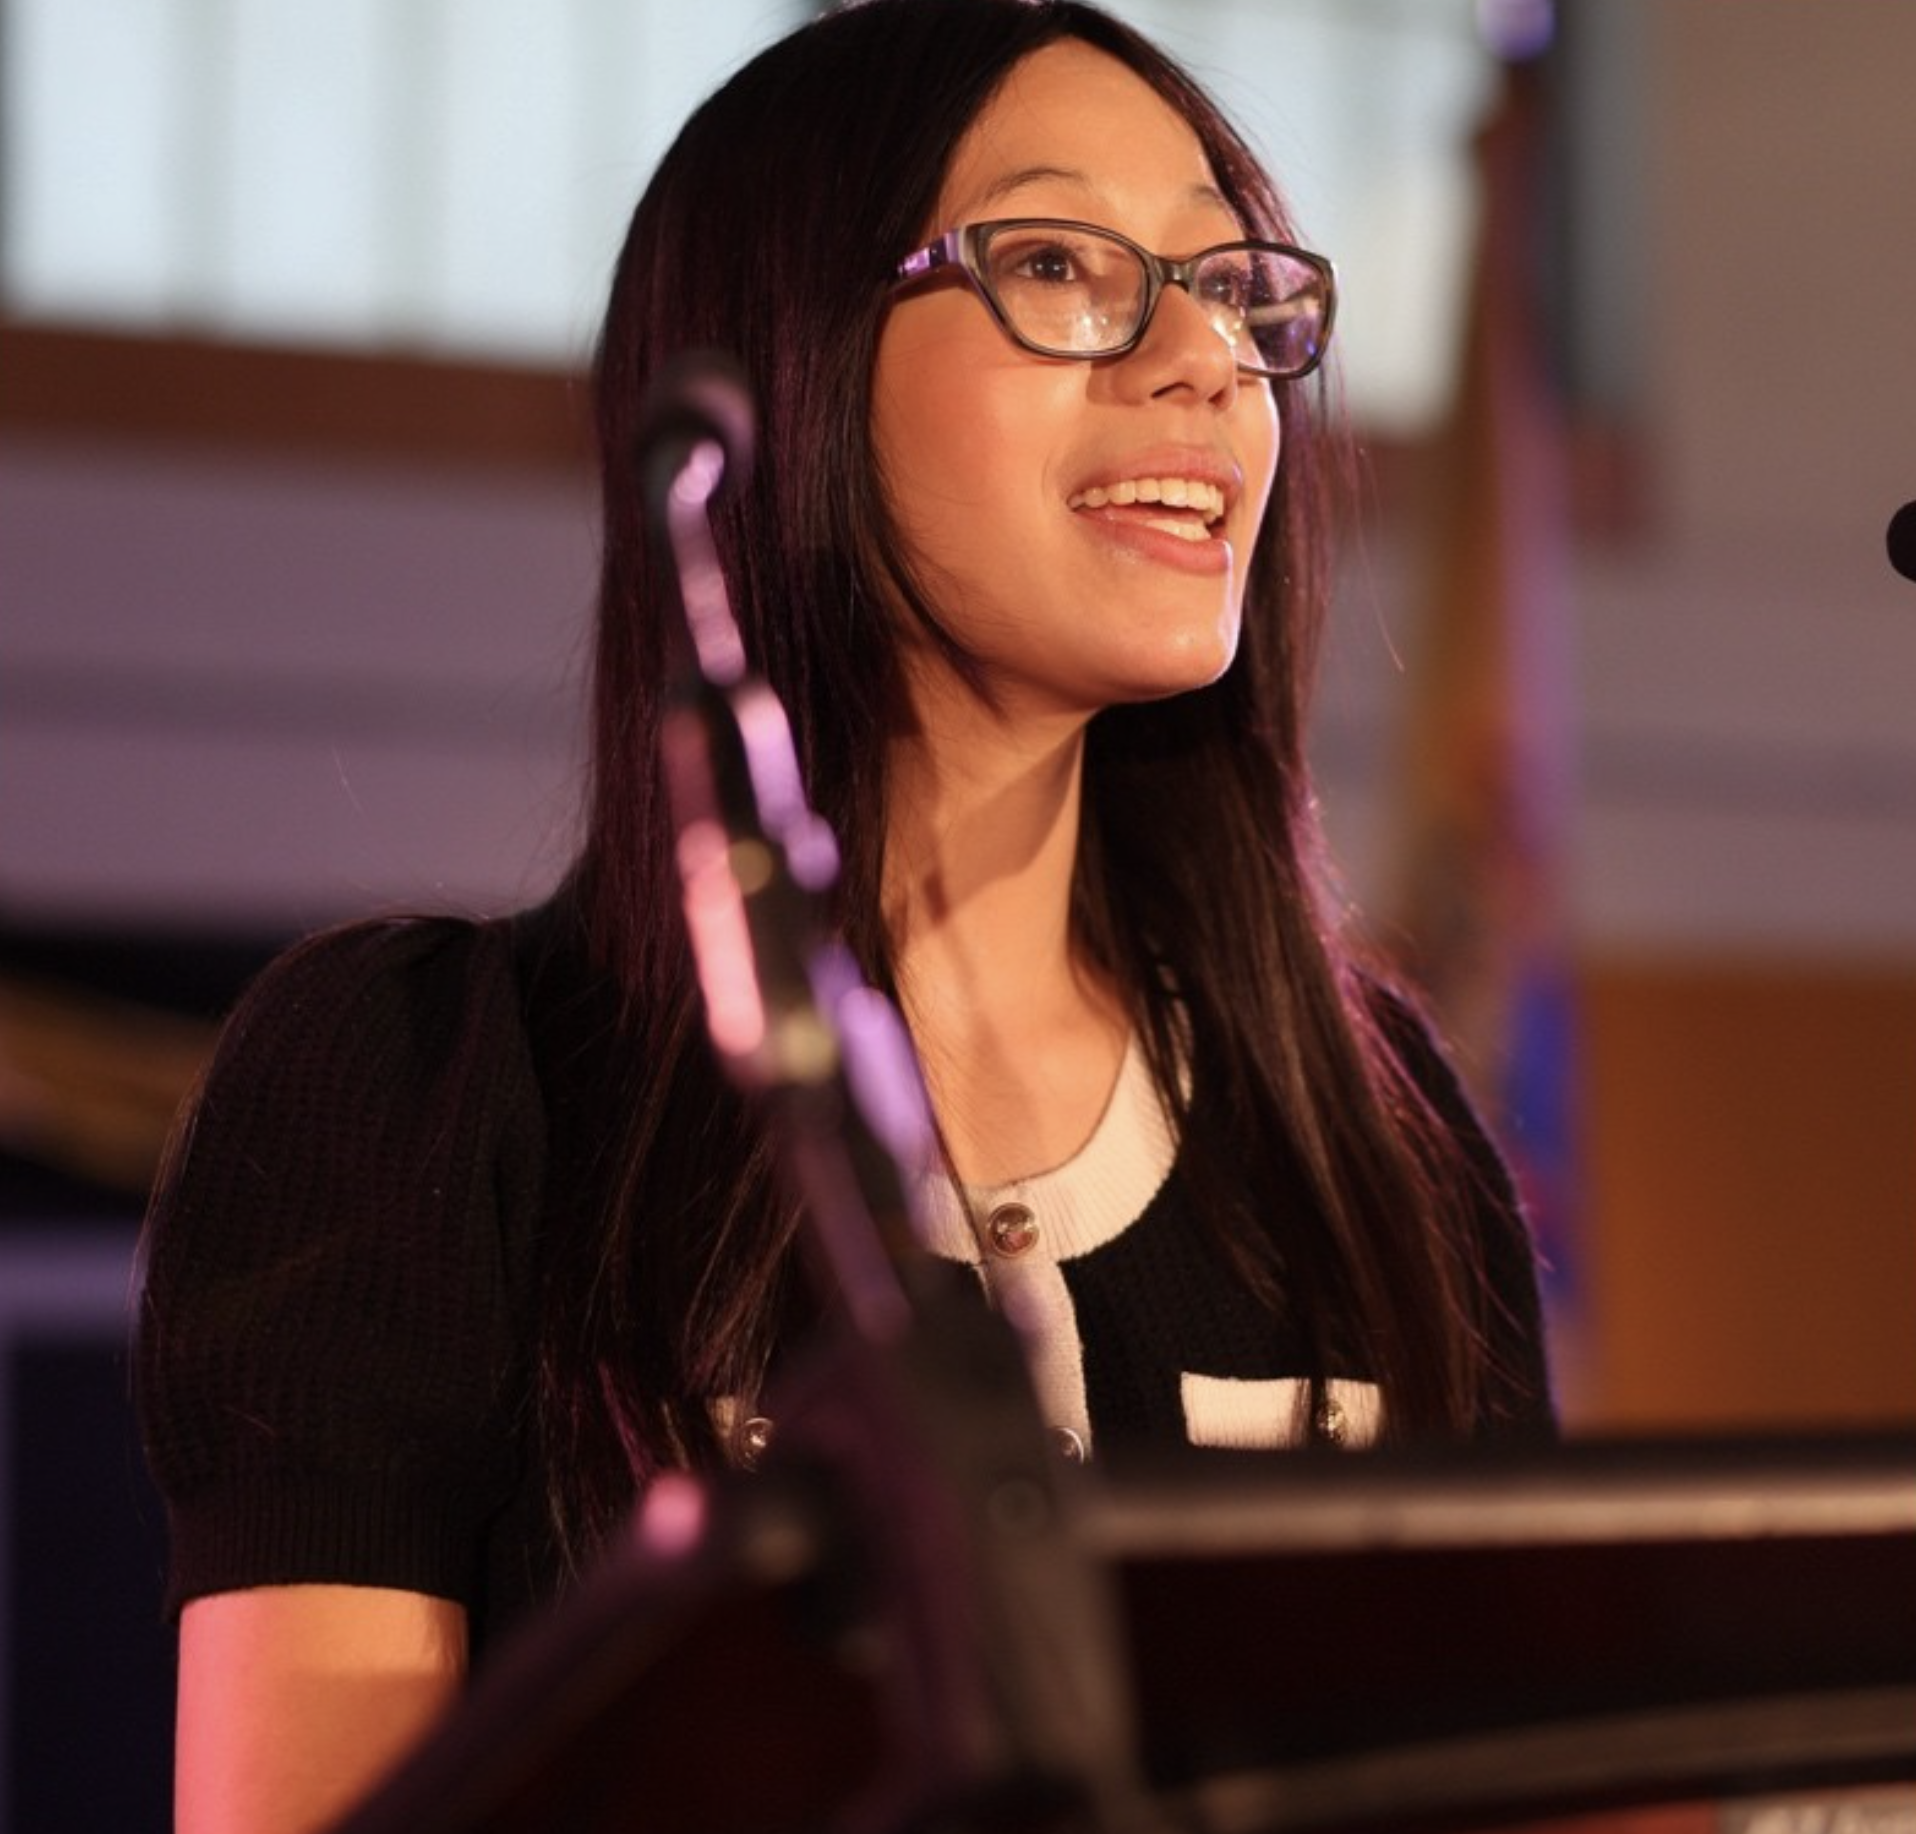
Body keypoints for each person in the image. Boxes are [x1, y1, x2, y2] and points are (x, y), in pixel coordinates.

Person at [137, 1, 1555, 1827]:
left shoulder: (1379, 1140)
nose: (1207, 358)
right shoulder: (420, 1098)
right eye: (1058, 264)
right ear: (788, 354)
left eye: (1229, 283)